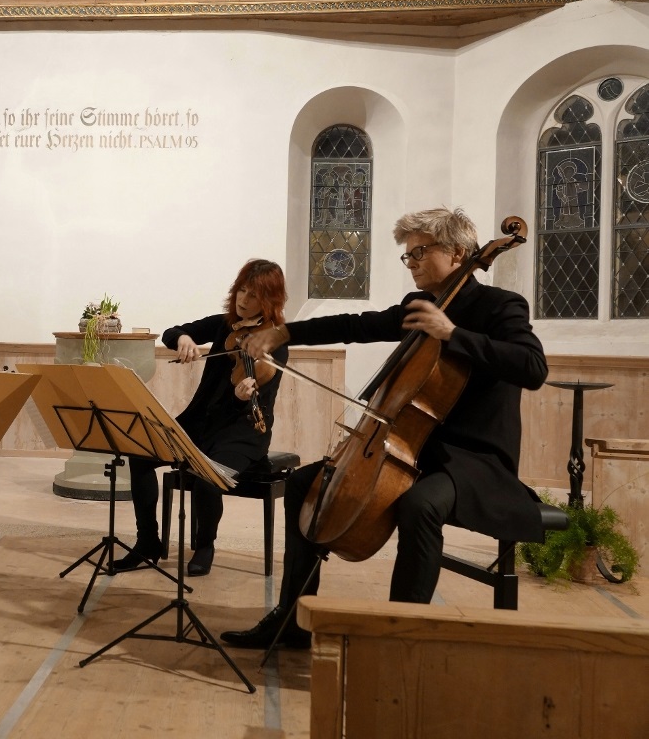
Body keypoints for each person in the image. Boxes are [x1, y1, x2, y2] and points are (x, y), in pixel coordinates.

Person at [221, 207, 548, 650]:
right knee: (303, 484)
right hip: (408, 448)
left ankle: (397, 638)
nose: (411, 262)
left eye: (419, 252)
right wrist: (285, 333)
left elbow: (532, 367)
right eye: (407, 256)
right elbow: (358, 325)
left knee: (420, 506)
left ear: (456, 252)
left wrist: (453, 334)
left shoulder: (500, 305)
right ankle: (292, 619)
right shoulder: (425, 305)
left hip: (471, 459)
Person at [112, 259, 290, 577]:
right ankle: (148, 541)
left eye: (252, 296)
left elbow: (263, 393)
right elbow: (172, 332)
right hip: (199, 422)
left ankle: (205, 545)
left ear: (269, 301)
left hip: (243, 430)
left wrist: (244, 395)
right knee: (139, 455)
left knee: (209, 476)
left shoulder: (276, 341)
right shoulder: (224, 325)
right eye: (241, 291)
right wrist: (182, 339)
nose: (243, 300)